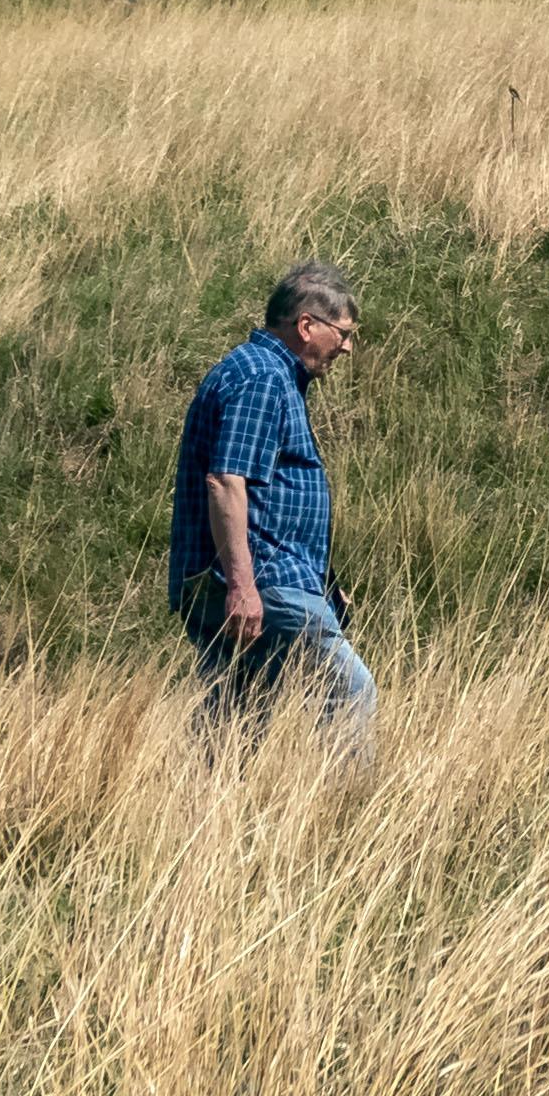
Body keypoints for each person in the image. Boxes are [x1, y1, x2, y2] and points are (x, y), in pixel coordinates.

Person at [172, 264, 375, 747]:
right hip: (261, 583)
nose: (347, 346)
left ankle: (202, 814)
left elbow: (266, 499)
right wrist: (243, 587)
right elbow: (226, 482)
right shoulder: (263, 378)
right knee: (350, 693)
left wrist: (321, 584)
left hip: (261, 580)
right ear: (307, 327)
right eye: (343, 333)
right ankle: (343, 814)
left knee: (238, 717)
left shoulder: (257, 373)